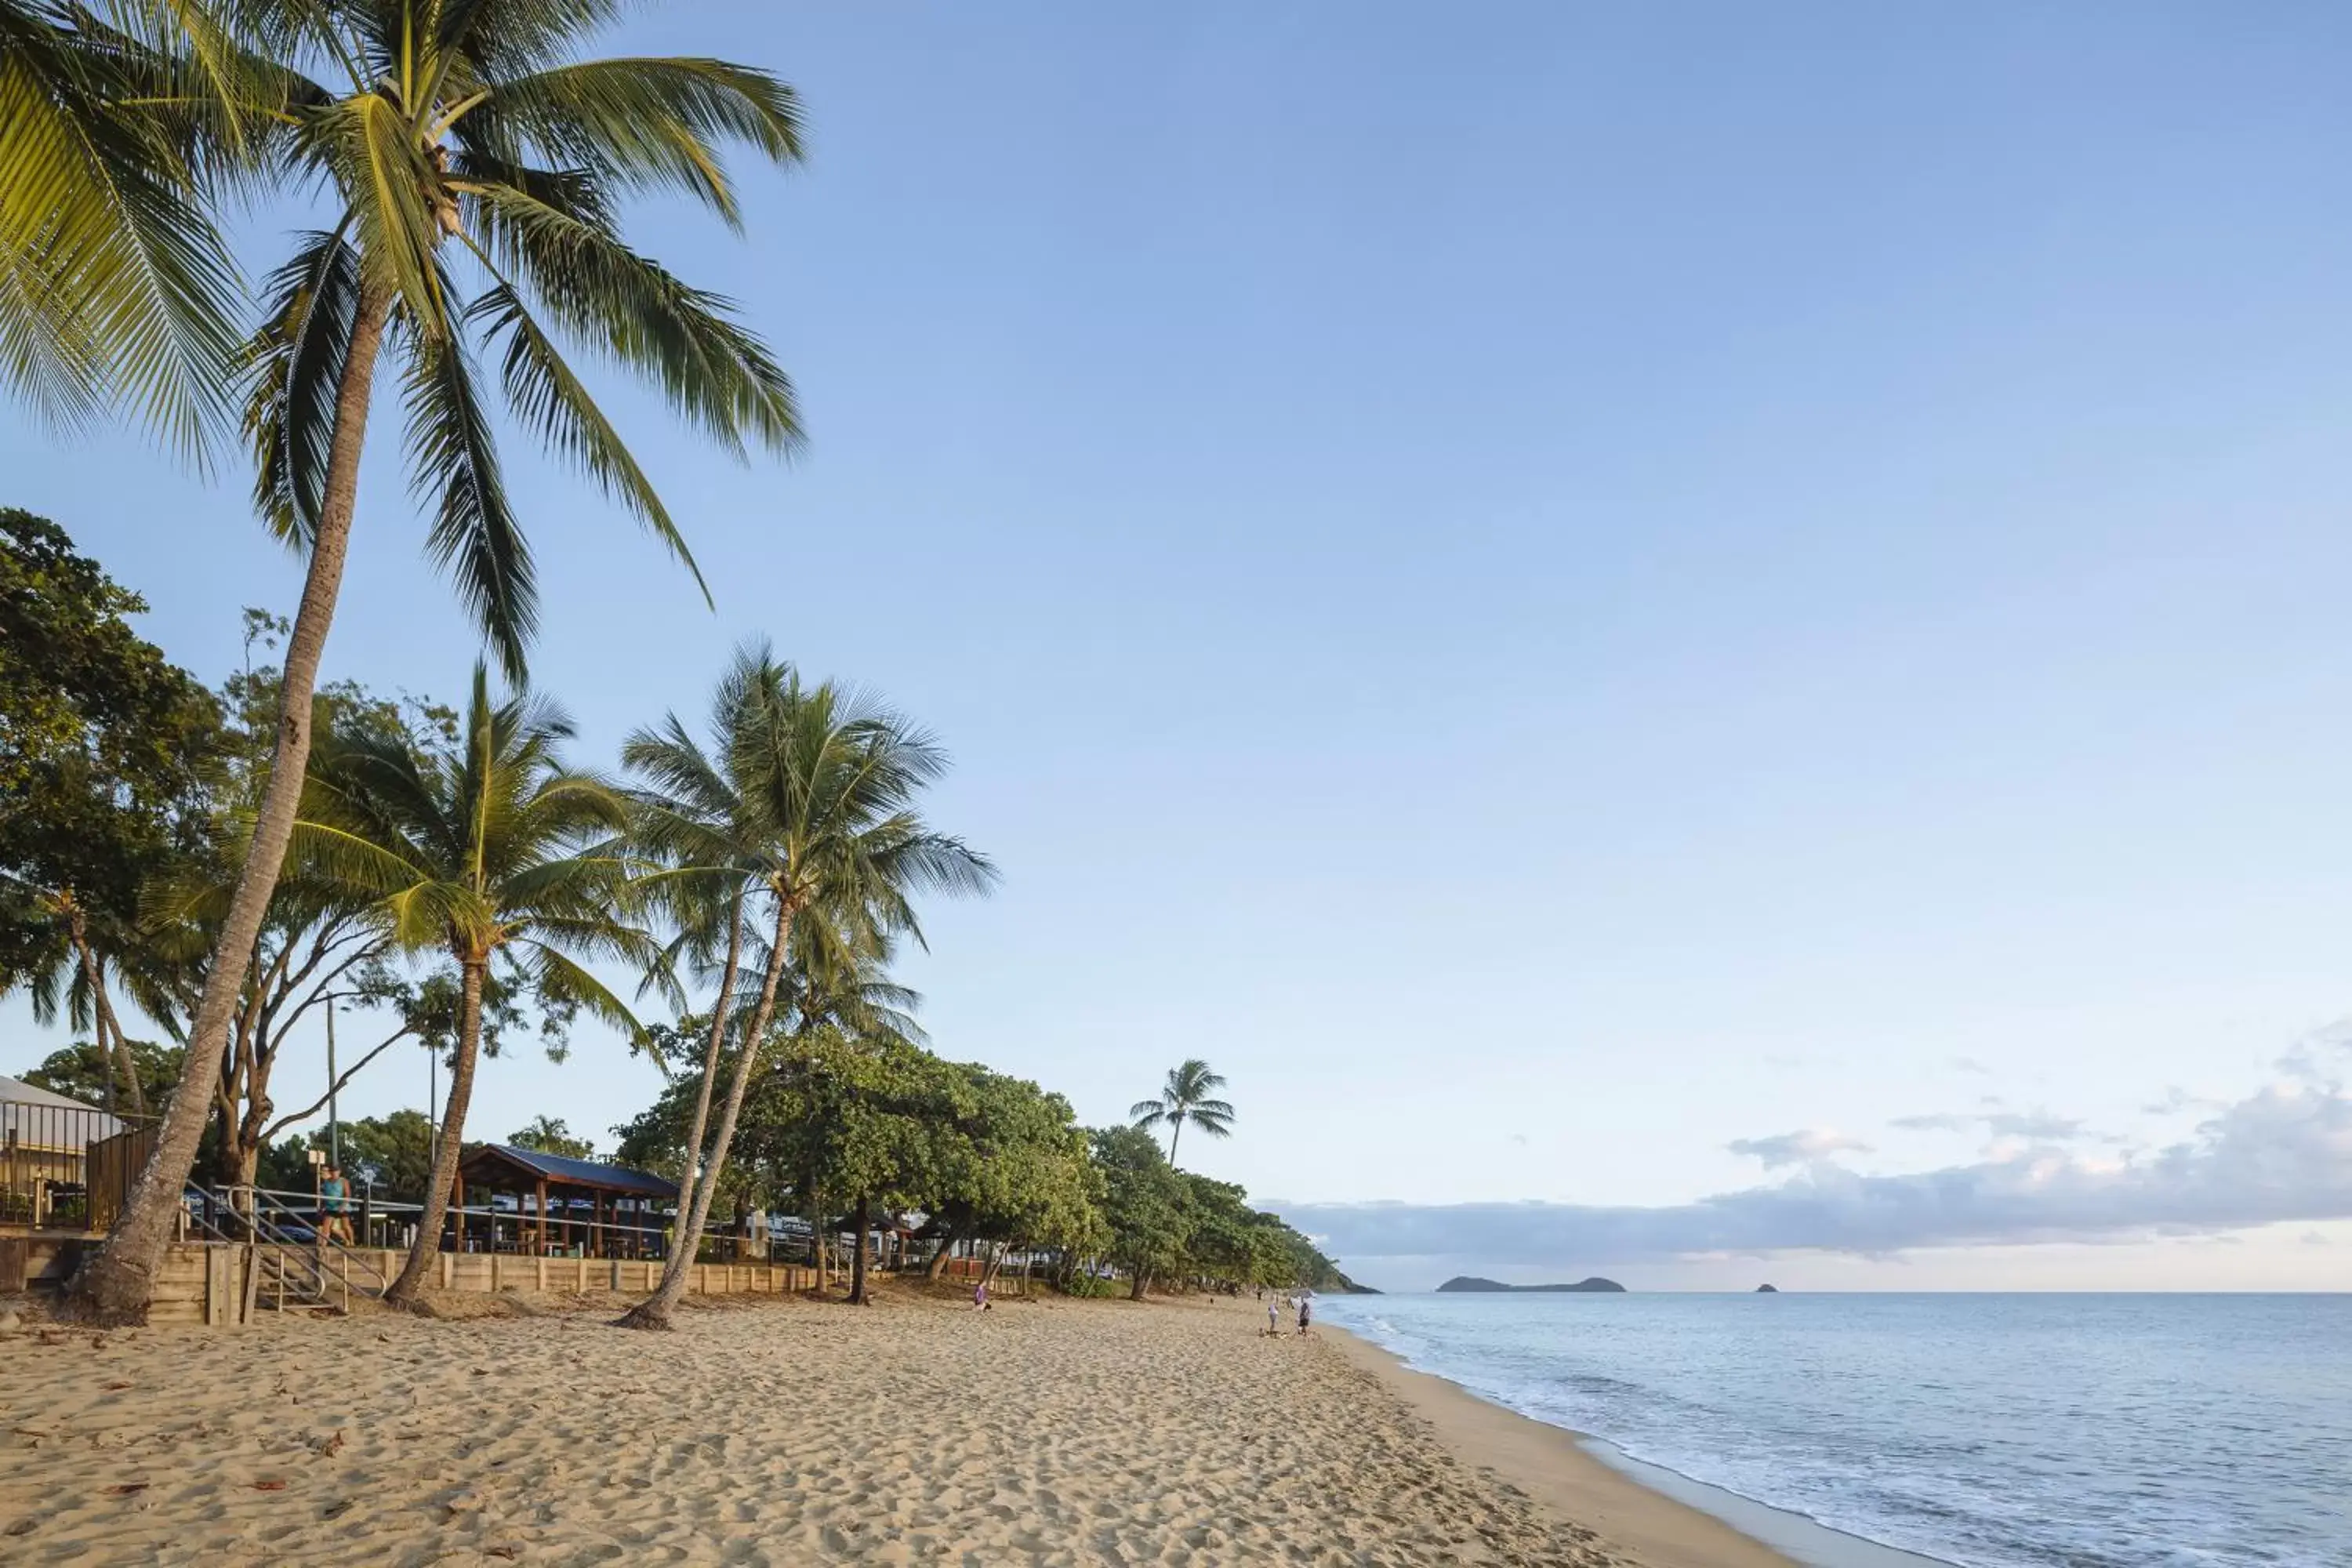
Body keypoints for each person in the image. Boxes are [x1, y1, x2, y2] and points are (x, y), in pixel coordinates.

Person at [318, 1165, 354, 1246]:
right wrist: (322, 1207)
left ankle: (352, 1242)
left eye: (335, 1172)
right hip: (330, 1207)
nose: (334, 1174)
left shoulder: (343, 1181)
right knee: (326, 1226)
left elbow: (348, 1194)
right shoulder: (326, 1182)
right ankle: (323, 1244)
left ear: (339, 1172)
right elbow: (325, 1196)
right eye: (332, 1172)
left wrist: (343, 1205)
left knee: (345, 1225)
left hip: (342, 1206)